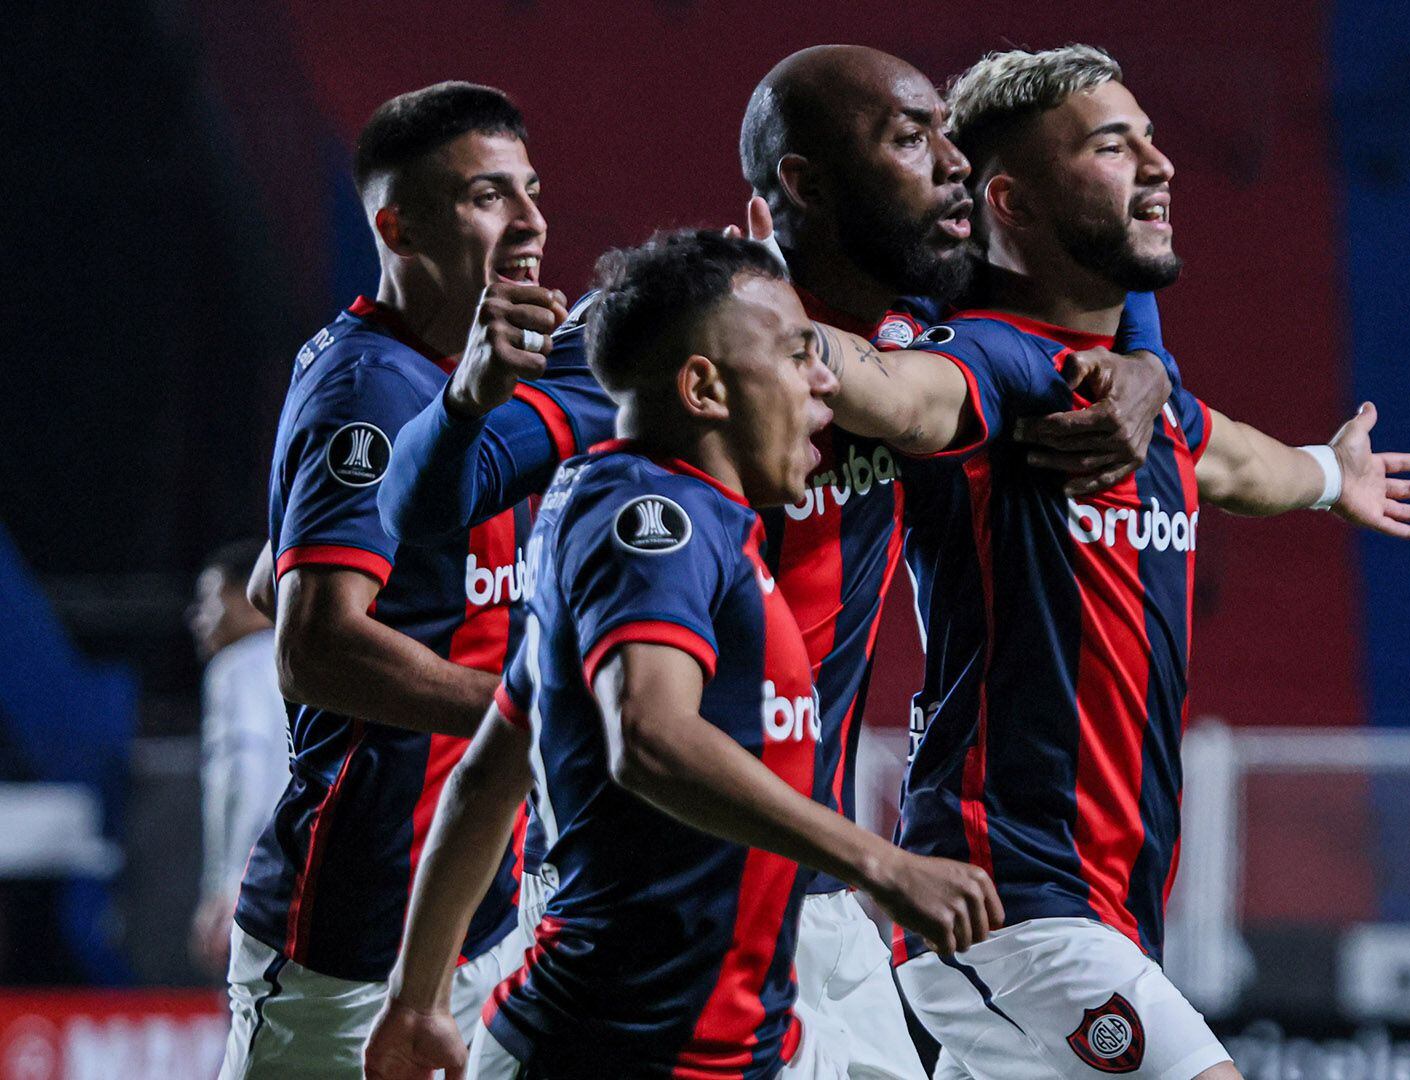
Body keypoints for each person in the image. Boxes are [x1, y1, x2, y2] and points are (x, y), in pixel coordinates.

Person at [373, 45, 1176, 1071]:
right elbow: (427, 508)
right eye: (909, 138)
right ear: (801, 185)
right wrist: (464, 399)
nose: (954, 166)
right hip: (654, 895)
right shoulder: (678, 353)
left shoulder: (927, 322)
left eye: (945, 134)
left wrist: (1145, 362)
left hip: (826, 913)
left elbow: (1104, 258)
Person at [879, 46, 1410, 1080]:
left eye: (1151, 134)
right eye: (1113, 144)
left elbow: (1243, 462)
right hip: (1006, 900)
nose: (1162, 163)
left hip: (1107, 909)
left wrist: (1330, 473)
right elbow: (905, 396)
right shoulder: (985, 374)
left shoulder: (1156, 416)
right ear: (1010, 198)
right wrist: (792, 345)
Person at [364, 230, 999, 1080]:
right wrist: (880, 862)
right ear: (703, 386)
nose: (824, 381)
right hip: (612, 1048)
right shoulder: (656, 521)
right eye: (796, 353)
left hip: (720, 1043)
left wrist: (415, 1000)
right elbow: (651, 738)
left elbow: (491, 771)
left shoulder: (671, 515)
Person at [221, 81, 566, 1078]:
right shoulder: (370, 388)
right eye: (487, 195)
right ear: (398, 225)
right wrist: (530, 721)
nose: (532, 220)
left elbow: (267, 580)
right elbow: (310, 643)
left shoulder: (477, 367)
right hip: (354, 940)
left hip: (477, 911)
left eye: (531, 189)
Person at [189, 539, 286, 978]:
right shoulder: (303, 660)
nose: (198, 618)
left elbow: (242, 774)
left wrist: (228, 885)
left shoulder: (235, 667)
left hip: (263, 876)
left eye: (210, 600)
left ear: (249, 597)